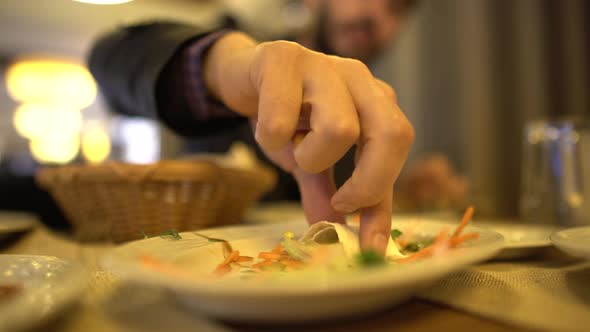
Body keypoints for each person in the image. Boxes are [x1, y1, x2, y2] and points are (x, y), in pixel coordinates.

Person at [89, 0, 461, 254]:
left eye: (397, 6)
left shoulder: (368, 106)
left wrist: (408, 187)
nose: (377, 13)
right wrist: (224, 66)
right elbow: (109, 58)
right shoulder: (245, 43)